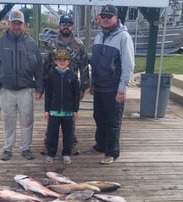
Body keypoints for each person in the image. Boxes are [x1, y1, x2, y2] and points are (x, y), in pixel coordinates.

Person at [0, 9, 43, 161]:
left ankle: (26, 148)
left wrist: (39, 87)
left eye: (19, 24)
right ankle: (8, 148)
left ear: (24, 25)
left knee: (27, 120)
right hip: (5, 90)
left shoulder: (31, 43)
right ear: (8, 23)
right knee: (8, 120)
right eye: (14, 23)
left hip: (25, 90)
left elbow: (39, 67)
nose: (16, 26)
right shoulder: (0, 41)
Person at [90, 5, 135, 165]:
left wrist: (122, 89)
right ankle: (101, 145)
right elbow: (94, 63)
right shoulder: (98, 37)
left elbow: (128, 66)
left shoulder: (124, 37)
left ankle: (112, 152)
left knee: (113, 121)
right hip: (99, 87)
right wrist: (92, 82)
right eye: (103, 16)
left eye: (109, 16)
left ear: (116, 18)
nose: (105, 19)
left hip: (114, 88)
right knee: (99, 117)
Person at [42, 14, 90, 155]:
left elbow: (84, 66)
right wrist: (45, 85)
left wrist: (83, 86)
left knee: (71, 116)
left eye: (69, 24)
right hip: (55, 85)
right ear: (59, 25)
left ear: (72, 26)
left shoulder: (79, 45)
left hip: (72, 86)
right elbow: (45, 65)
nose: (66, 26)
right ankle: (49, 143)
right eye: (63, 23)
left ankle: (70, 144)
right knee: (52, 115)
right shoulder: (51, 44)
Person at [44, 50, 80, 164]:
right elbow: (48, 95)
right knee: (52, 134)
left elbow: (76, 95)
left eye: (64, 60)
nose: (62, 62)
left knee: (68, 134)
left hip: (68, 112)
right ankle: (51, 153)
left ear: (68, 62)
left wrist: (75, 110)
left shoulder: (73, 77)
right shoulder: (51, 75)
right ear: (55, 61)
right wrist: (46, 110)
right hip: (54, 111)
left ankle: (66, 153)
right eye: (59, 60)